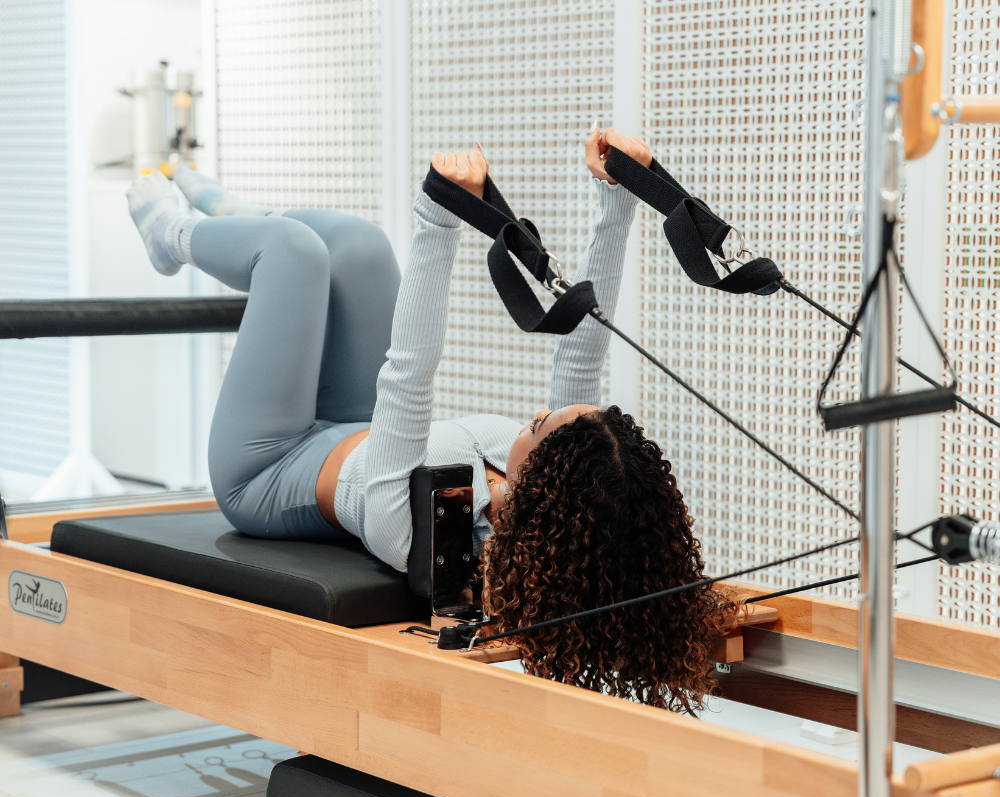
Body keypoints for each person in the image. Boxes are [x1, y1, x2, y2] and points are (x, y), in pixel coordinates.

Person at [126, 125, 732, 712]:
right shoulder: (539, 471)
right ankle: (236, 215)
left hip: (266, 466)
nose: (542, 410)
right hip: (351, 424)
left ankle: (171, 234)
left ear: (541, 485)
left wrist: (439, 219)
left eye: (543, 424)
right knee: (360, 244)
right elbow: (583, 343)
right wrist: (616, 198)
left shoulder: (422, 530)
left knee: (292, 253)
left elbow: (408, 371)